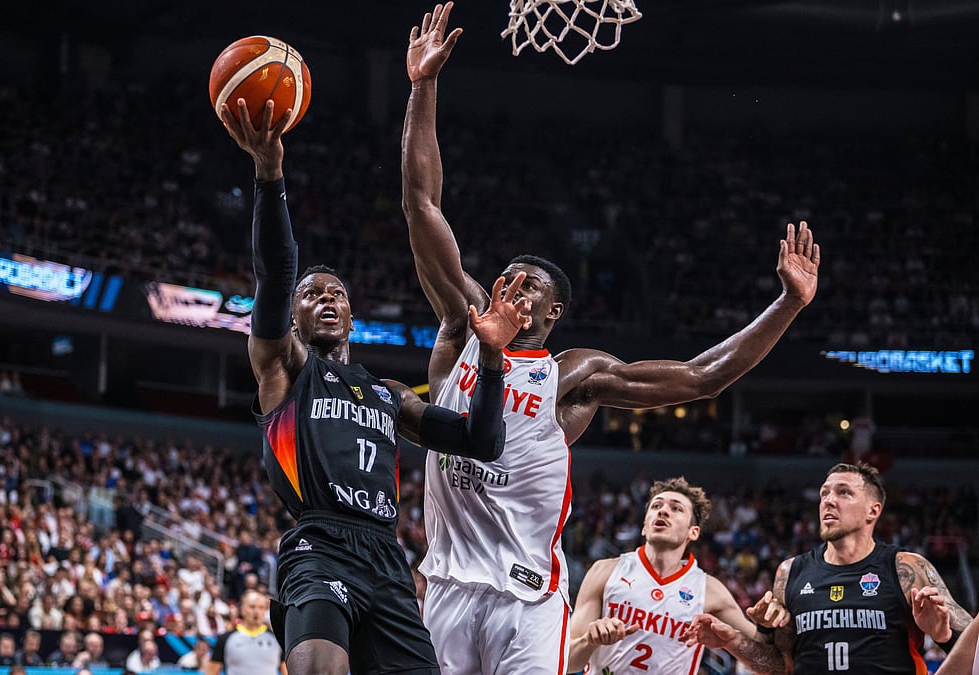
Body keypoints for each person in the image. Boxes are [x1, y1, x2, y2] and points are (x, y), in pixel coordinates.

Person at [402, 4, 820, 673]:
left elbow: (703, 376)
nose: (513, 280)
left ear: (554, 309)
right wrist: (423, 88)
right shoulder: (460, 331)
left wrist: (787, 305)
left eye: (531, 280)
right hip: (447, 589)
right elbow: (423, 207)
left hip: (527, 598)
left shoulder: (570, 375)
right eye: (507, 273)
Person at [220, 88, 530, 675]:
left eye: (337, 293)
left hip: (386, 556)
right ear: (293, 315)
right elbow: (276, 268)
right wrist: (269, 175)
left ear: (352, 315)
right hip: (319, 544)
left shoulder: (387, 393)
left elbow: (482, 442)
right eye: (313, 296)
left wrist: (491, 357)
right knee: (318, 668)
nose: (327, 300)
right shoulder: (284, 368)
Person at [686, 463, 974, 673]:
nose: (829, 500)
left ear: (873, 510)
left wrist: (942, 635)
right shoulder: (790, 572)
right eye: (824, 493)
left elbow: (973, 652)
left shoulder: (905, 568)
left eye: (844, 492)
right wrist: (733, 640)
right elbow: (779, 667)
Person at [567, 477, 786, 673]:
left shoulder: (709, 590)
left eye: (676, 508)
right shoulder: (605, 571)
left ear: (694, 532)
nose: (663, 511)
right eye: (656, 506)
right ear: (644, 526)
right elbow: (567, 662)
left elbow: (767, 664)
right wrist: (590, 640)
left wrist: (764, 628)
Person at [204, 590, 286, 675]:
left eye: (261, 607)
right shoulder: (225, 639)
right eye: (252, 607)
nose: (256, 611)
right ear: (242, 609)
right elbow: (211, 672)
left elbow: (286, 672)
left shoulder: (277, 640)